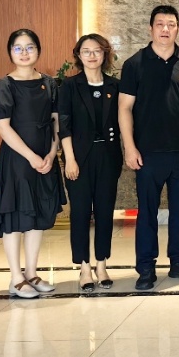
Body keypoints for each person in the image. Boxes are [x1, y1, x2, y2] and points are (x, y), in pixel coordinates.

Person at [119, 5, 179, 291]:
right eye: (160, 24)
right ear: (151, 28)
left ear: (178, 28)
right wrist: (130, 147)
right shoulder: (135, 63)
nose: (165, 29)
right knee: (147, 212)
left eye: (171, 24)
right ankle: (146, 267)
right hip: (147, 153)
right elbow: (124, 108)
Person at [0, 29, 64, 299]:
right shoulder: (5, 85)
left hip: (45, 156)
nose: (24, 52)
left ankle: (32, 273)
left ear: (38, 50)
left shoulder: (49, 83)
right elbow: (3, 127)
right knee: (15, 217)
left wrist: (52, 153)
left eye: (29, 47)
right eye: (18, 48)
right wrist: (31, 157)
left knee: (37, 216)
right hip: (17, 160)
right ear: (10, 52)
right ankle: (16, 277)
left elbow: (56, 122)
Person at [58, 33, 122, 293]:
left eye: (97, 50)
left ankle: (101, 264)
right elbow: (64, 125)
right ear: (79, 55)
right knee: (81, 213)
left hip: (108, 157)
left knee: (105, 212)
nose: (92, 55)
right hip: (78, 158)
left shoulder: (115, 86)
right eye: (86, 51)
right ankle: (84, 267)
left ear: (105, 53)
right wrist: (70, 160)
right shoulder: (69, 86)